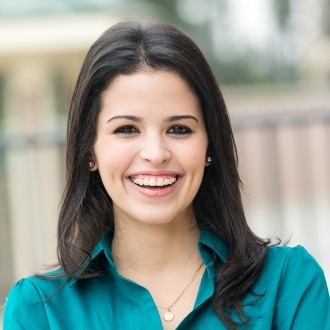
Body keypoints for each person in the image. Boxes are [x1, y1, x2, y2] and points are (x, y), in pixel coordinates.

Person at [3, 21, 330, 330]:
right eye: (127, 129)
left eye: (179, 129)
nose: (156, 153)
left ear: (209, 146)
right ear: (90, 151)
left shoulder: (289, 284)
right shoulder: (39, 311)